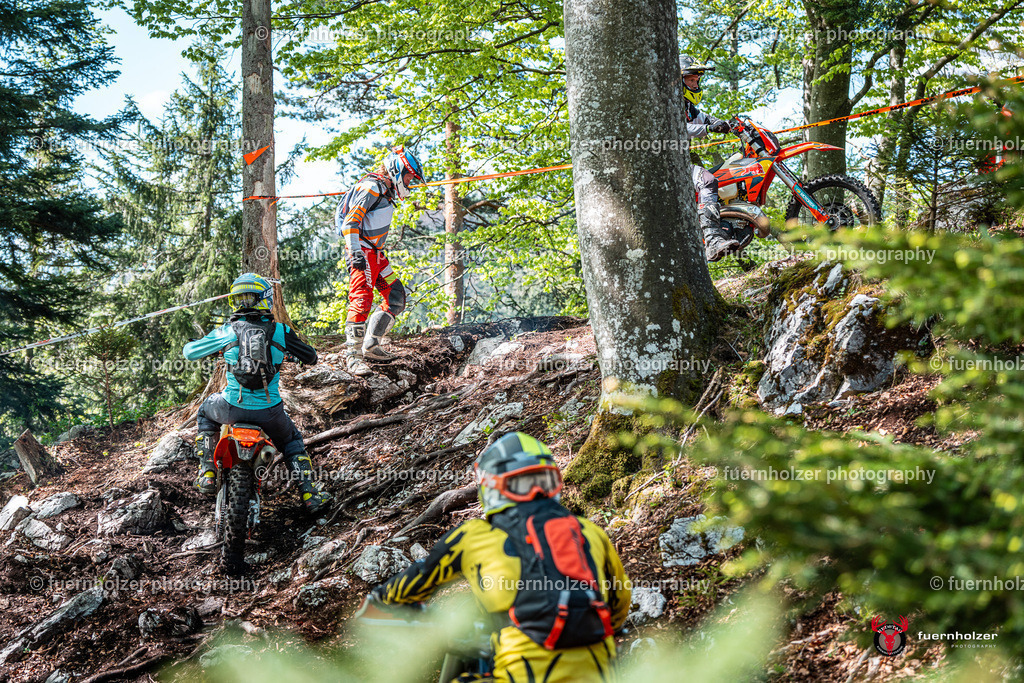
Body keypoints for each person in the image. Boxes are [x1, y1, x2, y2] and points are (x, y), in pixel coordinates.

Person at [367, 432, 631, 683]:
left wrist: (387, 605)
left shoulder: (474, 536)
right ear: (553, 480)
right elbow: (619, 609)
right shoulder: (591, 532)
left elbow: (395, 596)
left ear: (492, 486)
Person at [183, 273, 330, 514]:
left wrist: (200, 343)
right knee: (292, 441)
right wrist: (284, 351)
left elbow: (190, 353)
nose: (244, 303)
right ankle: (310, 495)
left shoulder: (227, 331)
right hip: (270, 412)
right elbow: (311, 357)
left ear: (234, 301)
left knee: (205, 412)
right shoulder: (280, 331)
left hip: (230, 407)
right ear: (267, 300)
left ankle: (207, 473)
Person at [336, 146, 425, 377]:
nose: (410, 182)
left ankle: (371, 345)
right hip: (362, 251)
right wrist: (355, 252)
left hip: (376, 253)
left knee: (396, 296)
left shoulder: (384, 190)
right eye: (409, 177)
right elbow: (349, 223)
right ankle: (352, 357)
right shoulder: (371, 187)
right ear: (398, 170)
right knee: (361, 299)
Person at [680, 55, 741, 262]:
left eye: (697, 81)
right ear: (679, 80)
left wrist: (730, 125)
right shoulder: (667, 104)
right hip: (666, 164)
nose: (695, 85)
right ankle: (713, 239)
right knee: (707, 180)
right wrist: (708, 128)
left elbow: (706, 118)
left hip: (679, 162)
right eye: (691, 80)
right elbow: (679, 127)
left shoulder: (689, 107)